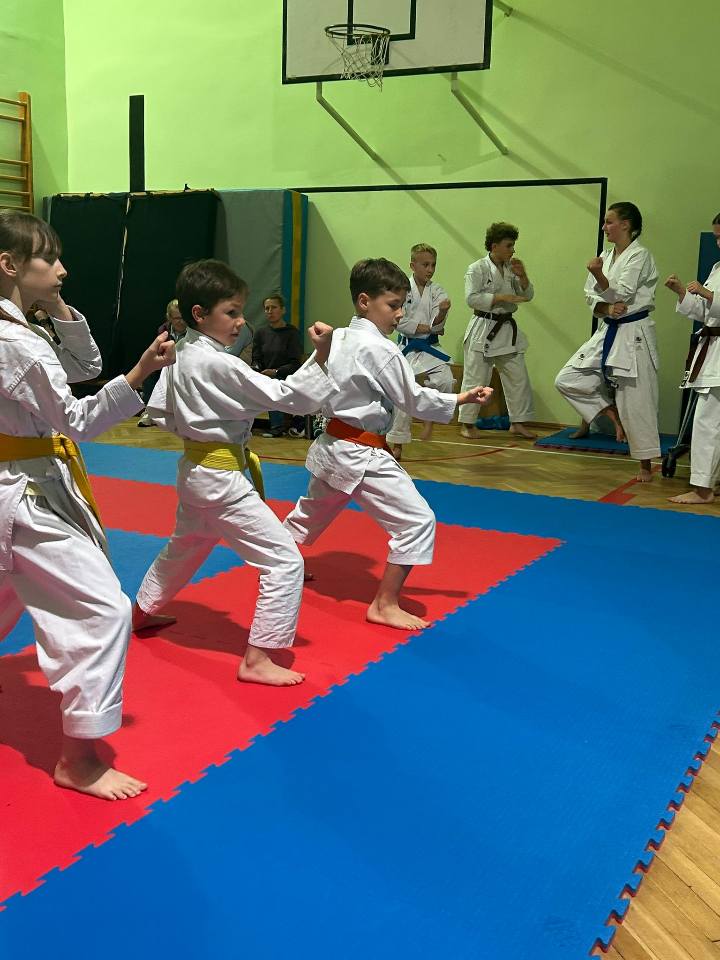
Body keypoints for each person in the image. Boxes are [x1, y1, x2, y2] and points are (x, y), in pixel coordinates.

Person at [0, 210, 175, 800]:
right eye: (49, 258)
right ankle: (79, 759)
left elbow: (81, 368)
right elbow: (77, 418)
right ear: (10, 265)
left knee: (6, 590)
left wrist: (55, 307)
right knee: (103, 612)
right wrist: (141, 373)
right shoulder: (14, 342)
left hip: (16, 479)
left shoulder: (22, 331)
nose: (62, 268)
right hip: (23, 492)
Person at [132, 260, 337, 686]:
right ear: (199, 314)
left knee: (186, 547)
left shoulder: (180, 353)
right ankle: (257, 658)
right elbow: (290, 397)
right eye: (231, 312)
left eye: (241, 311)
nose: (241, 321)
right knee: (284, 562)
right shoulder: (220, 364)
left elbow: (160, 412)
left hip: (195, 469)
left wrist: (200, 428)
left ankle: (140, 612)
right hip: (221, 478)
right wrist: (321, 355)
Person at [283, 258, 493, 631]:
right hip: (359, 452)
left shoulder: (337, 338)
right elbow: (413, 400)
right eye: (393, 305)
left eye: (402, 305)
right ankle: (384, 604)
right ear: (365, 301)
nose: (400, 314)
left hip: (332, 446)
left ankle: (276, 564)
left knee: (310, 513)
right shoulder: (381, 349)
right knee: (417, 521)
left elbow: (306, 383)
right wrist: (461, 399)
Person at [555, 202, 660, 481]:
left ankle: (645, 465)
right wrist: (605, 307)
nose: (604, 227)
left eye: (609, 222)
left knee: (637, 398)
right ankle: (610, 412)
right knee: (567, 379)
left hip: (634, 332)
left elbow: (623, 293)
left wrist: (599, 275)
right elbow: (589, 295)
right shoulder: (606, 255)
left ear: (626, 225)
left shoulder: (640, 255)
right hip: (609, 328)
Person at [458, 222, 536, 441]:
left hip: (506, 329)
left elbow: (527, 295)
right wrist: (500, 297)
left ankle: (518, 423)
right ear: (494, 246)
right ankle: (467, 423)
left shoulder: (512, 268)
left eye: (513, 245)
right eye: (509, 245)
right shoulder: (477, 268)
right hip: (483, 327)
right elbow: (471, 298)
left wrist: (523, 277)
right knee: (476, 378)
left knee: (518, 377)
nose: (513, 250)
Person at [665, 213, 720, 504]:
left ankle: (703, 489)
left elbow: (712, 302)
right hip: (712, 349)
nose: (719, 243)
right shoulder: (717, 268)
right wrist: (682, 293)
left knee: (707, 422)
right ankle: (708, 484)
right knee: (709, 421)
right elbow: (703, 312)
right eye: (717, 237)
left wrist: (708, 294)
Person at [386, 243, 453, 459]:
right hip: (407, 347)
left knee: (446, 381)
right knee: (402, 392)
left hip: (430, 347)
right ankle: (397, 443)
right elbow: (399, 321)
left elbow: (437, 325)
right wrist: (426, 327)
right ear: (412, 265)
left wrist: (441, 314)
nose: (430, 269)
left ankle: (429, 418)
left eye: (433, 265)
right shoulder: (401, 289)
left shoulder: (438, 290)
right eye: (425, 265)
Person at [251, 294, 305, 438]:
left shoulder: (291, 333)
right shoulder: (261, 333)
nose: (270, 311)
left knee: (273, 384)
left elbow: (295, 363)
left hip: (285, 375)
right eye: (267, 308)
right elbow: (256, 358)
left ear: (282, 310)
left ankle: (278, 426)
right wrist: (256, 370)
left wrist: (275, 372)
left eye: (273, 307)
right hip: (264, 375)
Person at [138, 298, 187, 427]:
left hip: (186, 366)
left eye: (183, 317)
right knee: (150, 373)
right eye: (177, 318)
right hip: (167, 364)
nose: (181, 321)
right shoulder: (163, 331)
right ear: (169, 318)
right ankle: (149, 411)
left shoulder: (194, 331)